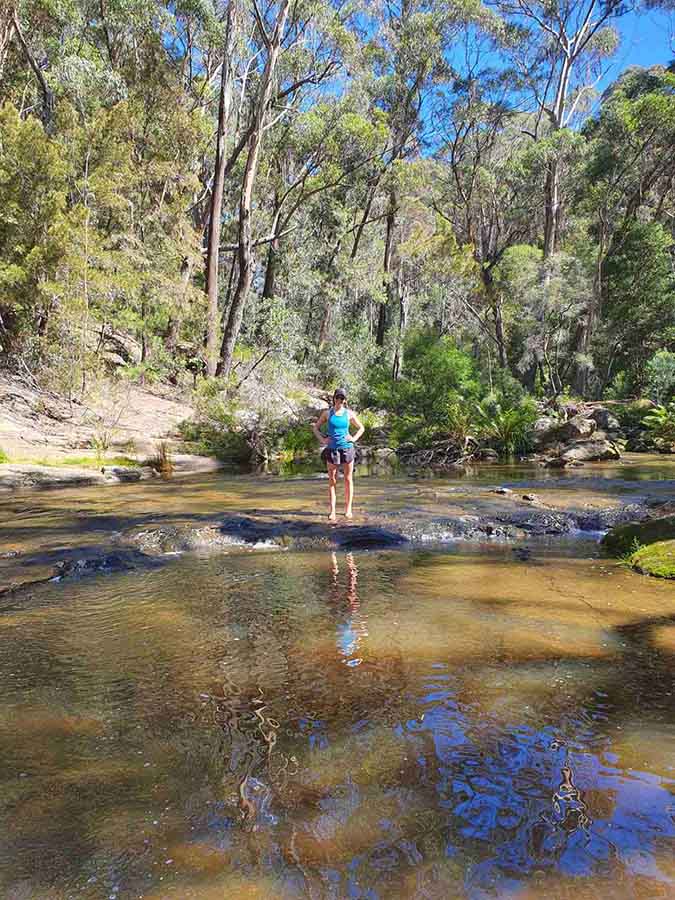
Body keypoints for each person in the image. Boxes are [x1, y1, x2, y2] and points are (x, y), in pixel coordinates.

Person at [313, 387, 364, 521]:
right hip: (332, 450)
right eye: (338, 397)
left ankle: (348, 509)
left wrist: (353, 439)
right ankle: (333, 511)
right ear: (334, 398)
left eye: (342, 398)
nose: (339, 400)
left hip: (347, 449)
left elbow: (361, 428)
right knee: (332, 481)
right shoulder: (327, 413)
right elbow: (315, 428)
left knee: (348, 479)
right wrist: (323, 440)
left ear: (345, 400)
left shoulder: (349, 414)